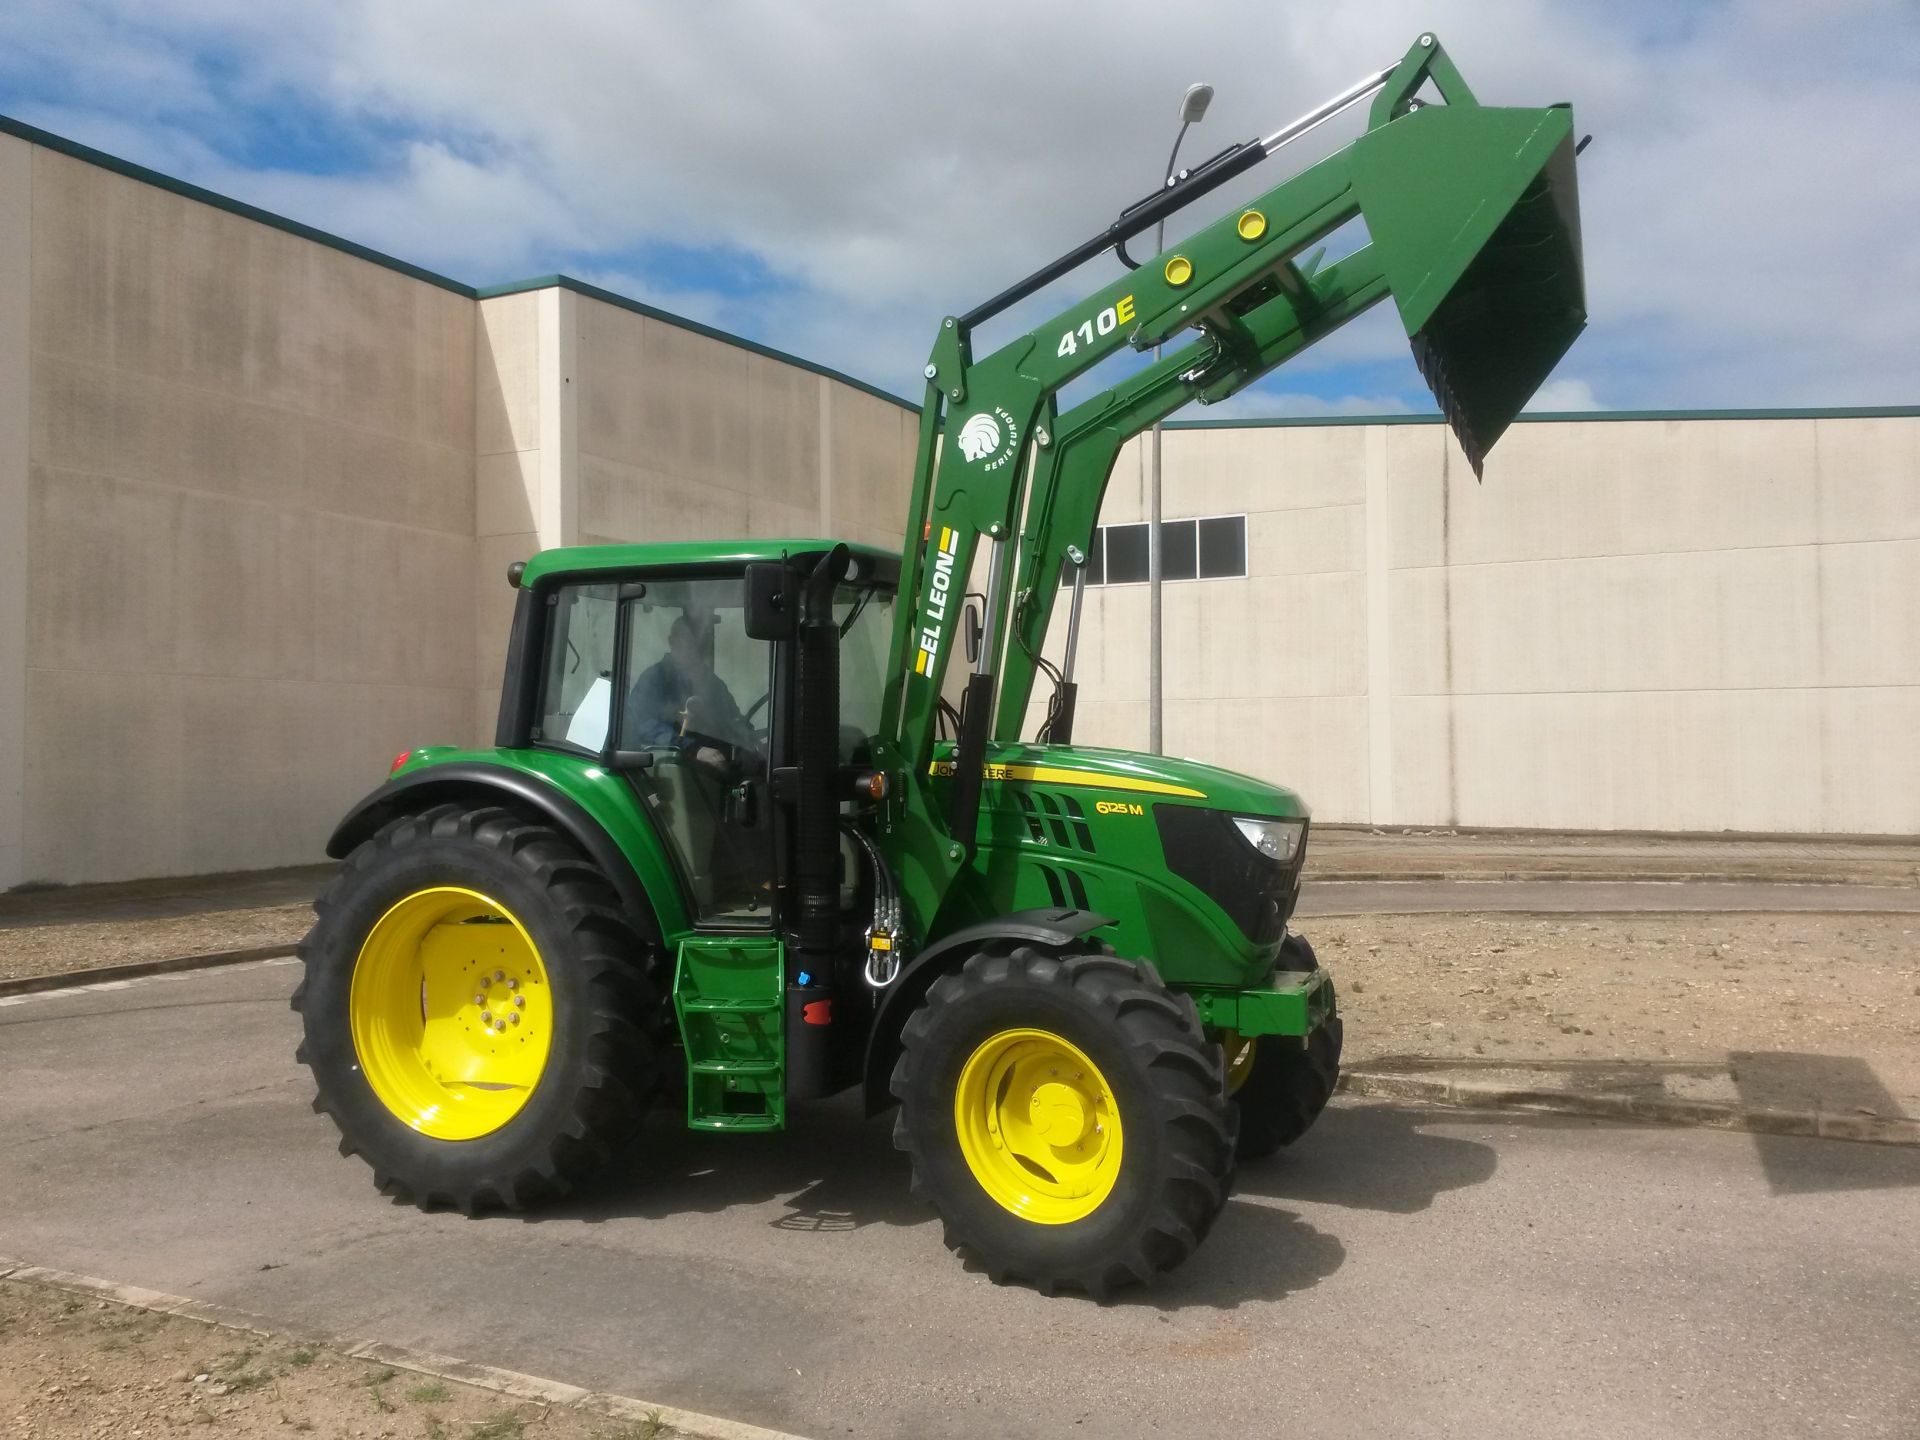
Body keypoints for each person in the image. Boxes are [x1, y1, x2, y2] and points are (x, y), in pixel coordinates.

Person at [625, 614, 758, 770]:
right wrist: (693, 749)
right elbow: (644, 725)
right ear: (671, 642)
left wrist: (751, 739)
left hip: (715, 761)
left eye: (695, 642)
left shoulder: (712, 683)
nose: (690, 647)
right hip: (674, 765)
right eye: (683, 641)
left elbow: (732, 718)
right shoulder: (655, 679)